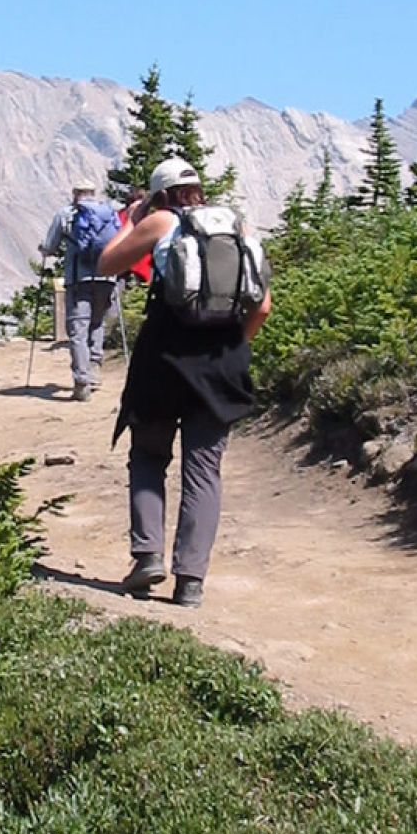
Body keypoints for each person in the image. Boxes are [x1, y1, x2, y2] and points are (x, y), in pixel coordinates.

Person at [96, 157, 271, 608]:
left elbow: (106, 261)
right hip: (222, 365)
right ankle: (191, 580)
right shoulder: (237, 227)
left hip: (163, 361)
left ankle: (148, 557)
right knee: (204, 470)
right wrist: (233, 343)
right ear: (197, 190)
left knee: (149, 455)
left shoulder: (158, 222)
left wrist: (133, 219)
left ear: (159, 193)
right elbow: (264, 305)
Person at [39, 181, 118, 401]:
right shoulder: (108, 212)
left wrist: (45, 250)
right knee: (97, 322)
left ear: (75, 194)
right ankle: (95, 367)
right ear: (94, 193)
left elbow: (51, 245)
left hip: (78, 279)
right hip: (106, 277)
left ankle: (81, 382)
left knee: (77, 330)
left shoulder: (66, 214)